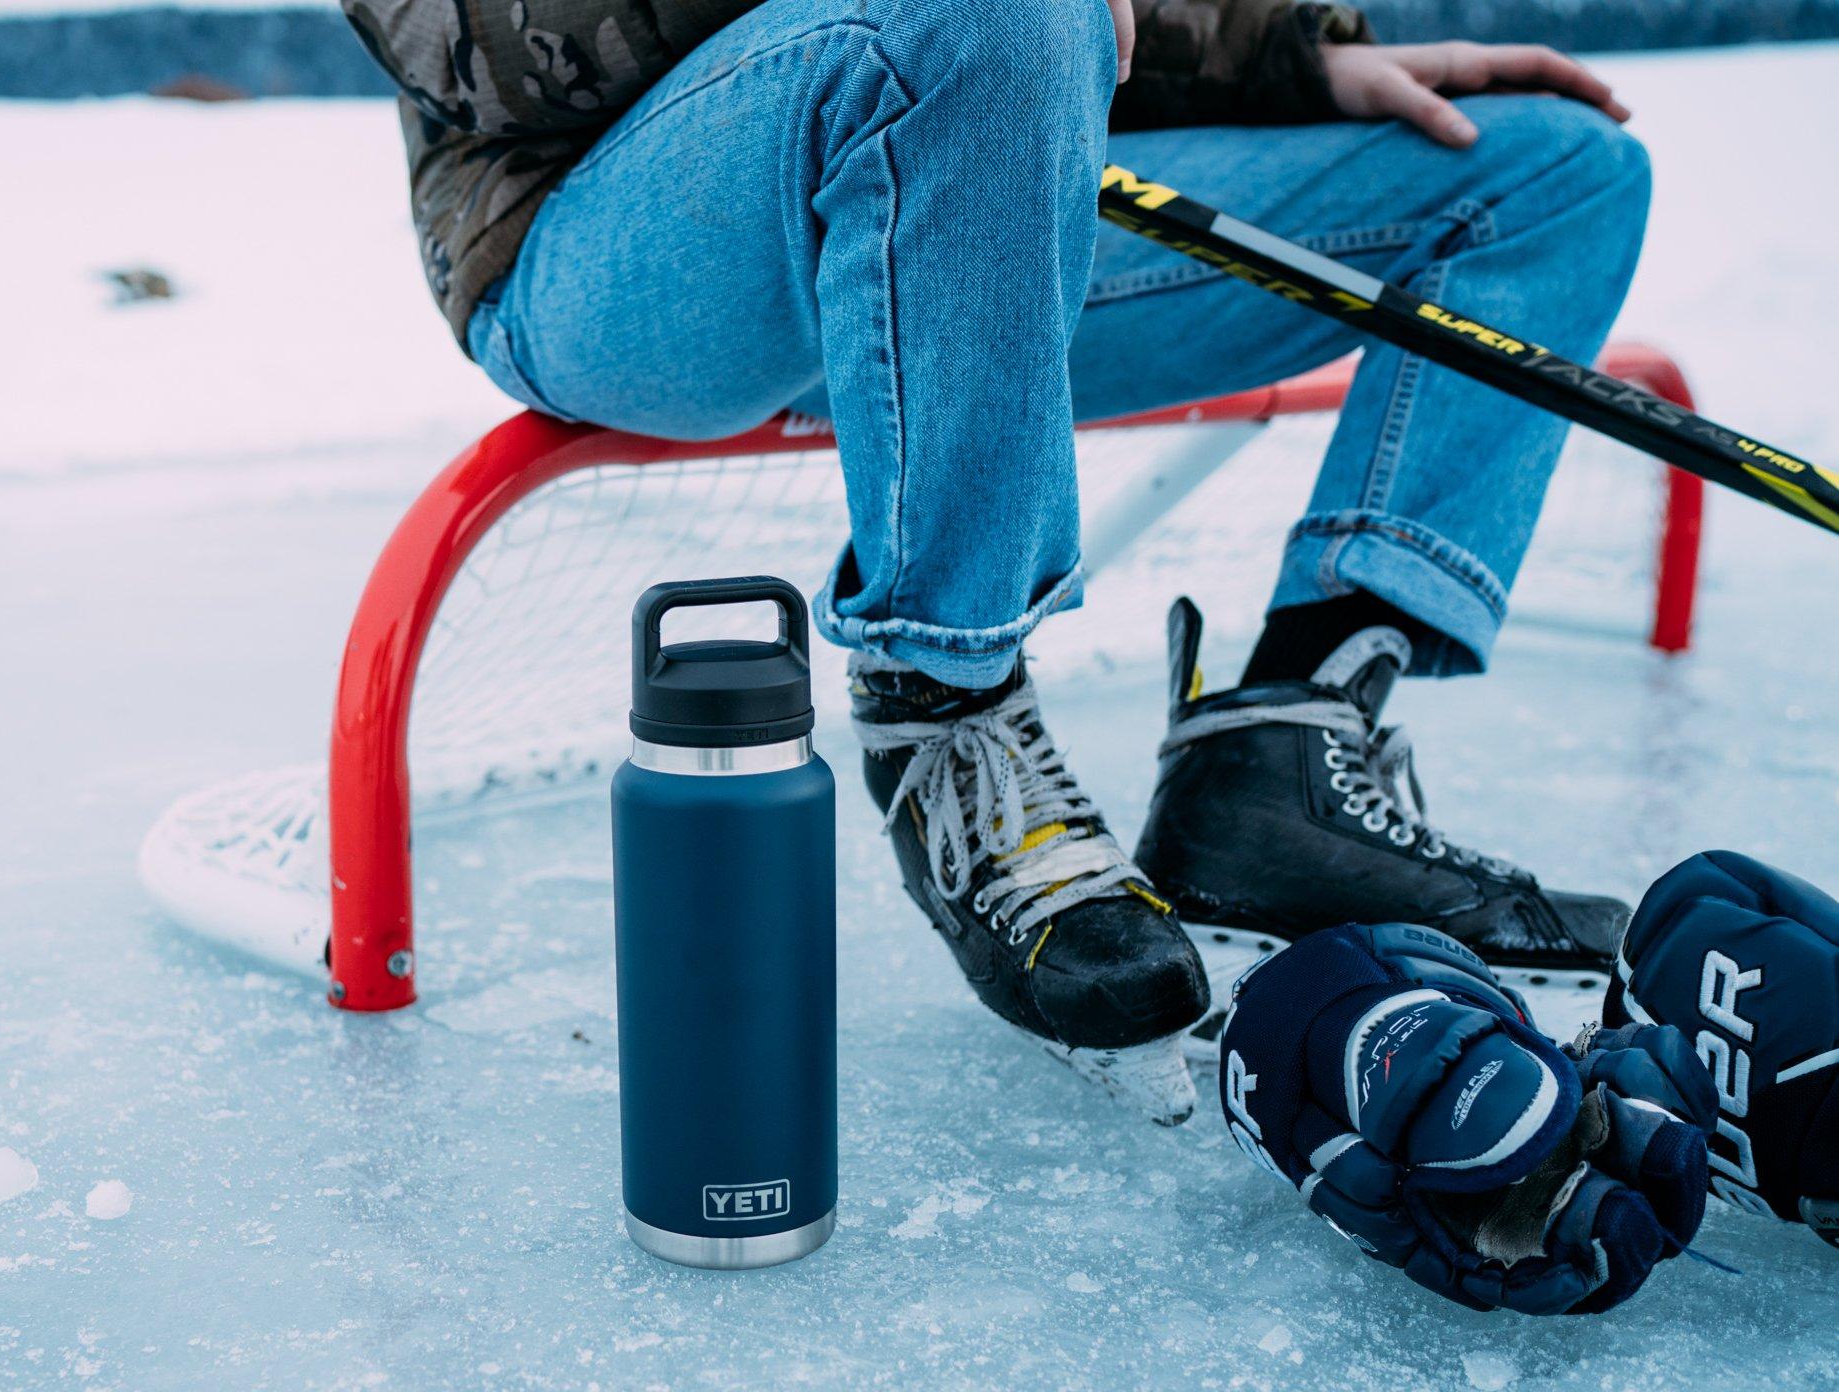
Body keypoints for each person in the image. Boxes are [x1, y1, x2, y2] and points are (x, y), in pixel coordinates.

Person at [342, 0, 1650, 1100]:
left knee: (1552, 173)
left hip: (971, 207)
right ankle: (948, 708)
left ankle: (1282, 765)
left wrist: (1287, 48)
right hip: (620, 257)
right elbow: (474, 43)